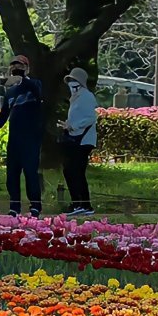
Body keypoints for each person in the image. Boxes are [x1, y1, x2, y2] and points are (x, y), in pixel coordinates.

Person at [0, 55, 43, 217]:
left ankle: (35, 206)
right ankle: (14, 207)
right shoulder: (10, 92)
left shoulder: (35, 85)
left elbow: (38, 93)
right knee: (12, 174)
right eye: (13, 67)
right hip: (14, 139)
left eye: (20, 66)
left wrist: (23, 78)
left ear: (27, 68)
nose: (15, 69)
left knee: (31, 172)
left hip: (31, 138)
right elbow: (3, 116)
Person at [61, 66, 98, 215]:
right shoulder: (75, 97)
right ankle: (81, 203)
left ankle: (82, 204)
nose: (71, 83)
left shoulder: (86, 96)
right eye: (69, 80)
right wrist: (68, 125)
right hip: (75, 138)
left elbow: (91, 117)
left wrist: (74, 126)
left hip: (83, 140)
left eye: (74, 80)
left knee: (74, 170)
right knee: (72, 171)